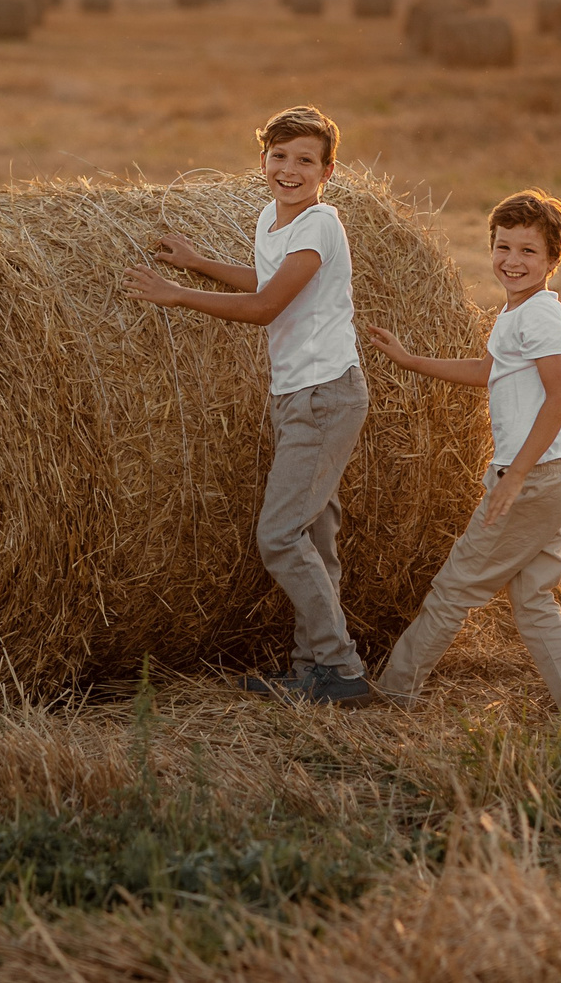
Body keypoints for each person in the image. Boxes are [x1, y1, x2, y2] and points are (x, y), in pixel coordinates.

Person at [122, 105, 373, 708]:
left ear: (327, 171)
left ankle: (341, 669)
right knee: (315, 536)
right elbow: (265, 282)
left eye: (305, 160)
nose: (289, 169)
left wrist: (177, 295)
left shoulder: (320, 225)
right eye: (279, 156)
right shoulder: (271, 219)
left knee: (280, 537)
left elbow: (267, 309)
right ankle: (312, 669)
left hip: (323, 395)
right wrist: (199, 262)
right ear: (263, 158)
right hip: (297, 395)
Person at [365, 189, 561, 717]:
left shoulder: (536, 316)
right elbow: (488, 371)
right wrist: (409, 359)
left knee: (453, 588)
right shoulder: (522, 312)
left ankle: (392, 694)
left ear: (553, 260)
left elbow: (560, 396)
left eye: (528, 252)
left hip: (534, 477)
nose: (512, 261)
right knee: (534, 599)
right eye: (503, 247)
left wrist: (513, 478)